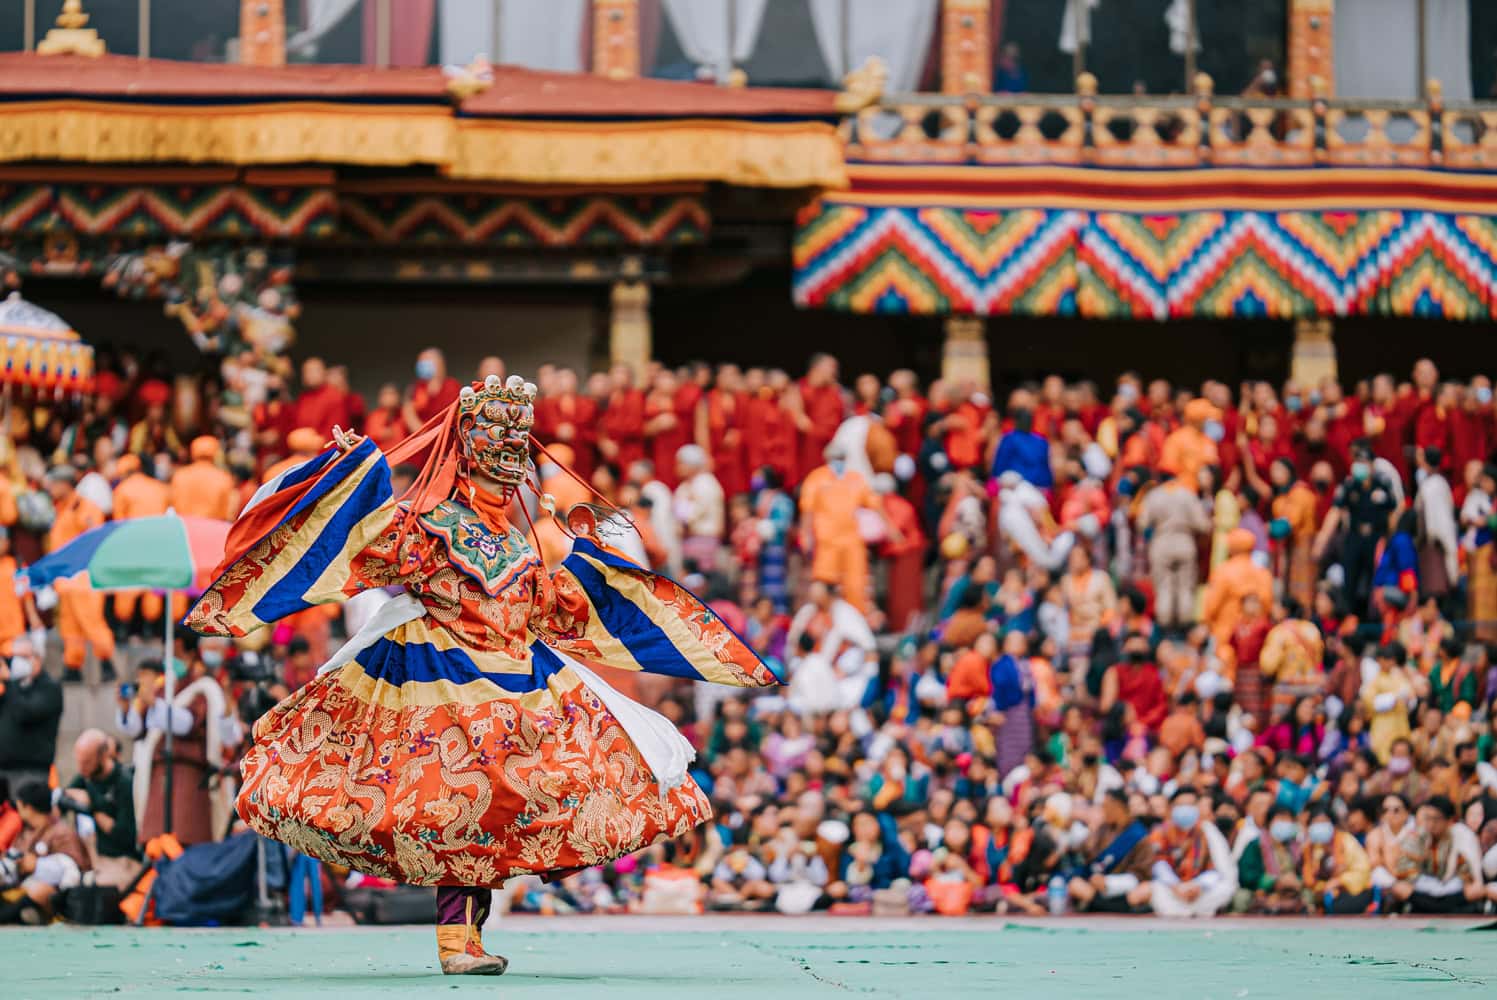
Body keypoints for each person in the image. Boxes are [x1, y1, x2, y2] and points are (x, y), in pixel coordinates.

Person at [184, 372, 782, 976]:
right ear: (468, 450)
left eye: (517, 448)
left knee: (517, 802)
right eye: (498, 445)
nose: (511, 460)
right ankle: (458, 943)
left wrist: (592, 570)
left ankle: (465, 939)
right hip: (442, 683)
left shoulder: (521, 542)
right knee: (457, 806)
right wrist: (352, 475)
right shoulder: (429, 524)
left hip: (516, 682)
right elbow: (369, 544)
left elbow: (544, 607)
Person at [799, 443, 888, 614]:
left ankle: (856, 620)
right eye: (835, 458)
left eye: (841, 458)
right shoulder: (816, 478)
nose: (838, 462)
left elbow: (874, 504)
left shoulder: (855, 479)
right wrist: (806, 535)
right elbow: (808, 510)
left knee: (856, 585)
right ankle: (824, 619)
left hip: (852, 542)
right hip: (827, 542)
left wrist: (890, 529)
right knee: (823, 584)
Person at [46, 466, 116, 683]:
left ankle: (107, 662)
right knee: (70, 624)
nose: (51, 488)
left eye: (55, 483)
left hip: (83, 575)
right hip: (66, 576)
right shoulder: (63, 508)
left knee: (90, 620)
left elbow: (93, 538)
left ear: (65, 484)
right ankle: (72, 665)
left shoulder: (84, 507)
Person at [0, 781, 91, 924]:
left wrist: (37, 865)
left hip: (56, 895)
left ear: (28, 807)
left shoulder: (62, 832)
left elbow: (74, 870)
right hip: (21, 886)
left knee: (39, 890)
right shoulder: (25, 832)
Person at [64, 729, 140, 887]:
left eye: (86, 762)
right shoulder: (87, 776)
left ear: (104, 756)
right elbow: (64, 796)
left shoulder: (124, 782)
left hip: (122, 860)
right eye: (79, 762)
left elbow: (123, 834)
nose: (81, 768)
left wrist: (91, 808)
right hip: (95, 857)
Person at [1144, 788, 1237, 917]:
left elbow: (1219, 868)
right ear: (1171, 808)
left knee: (1225, 888)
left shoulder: (1207, 831)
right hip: (1173, 889)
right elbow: (1158, 864)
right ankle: (1182, 910)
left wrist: (1199, 885)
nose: (1185, 809)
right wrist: (1176, 886)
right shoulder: (1161, 831)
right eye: (1181, 805)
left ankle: (1190, 910)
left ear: (1197, 807)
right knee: (1155, 889)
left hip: (1199, 890)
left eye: (1190, 805)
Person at [1136, 473, 1211, 632]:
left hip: (1161, 543)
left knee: (1163, 588)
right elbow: (1203, 525)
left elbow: (1141, 523)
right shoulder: (1188, 495)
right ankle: (1185, 628)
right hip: (1184, 542)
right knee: (1185, 588)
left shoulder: (1154, 496)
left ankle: (1165, 628)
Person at [1067, 788, 1154, 912]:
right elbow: (1088, 860)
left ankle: (1103, 906)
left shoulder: (1138, 834)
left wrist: (1110, 883)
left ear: (1118, 807)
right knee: (1075, 884)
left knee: (1146, 889)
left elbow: (1142, 873)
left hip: (1126, 888)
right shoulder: (1102, 829)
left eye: (1105, 806)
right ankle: (1110, 907)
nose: (1103, 810)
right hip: (1098, 887)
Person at [0, 635, 61, 793]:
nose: (18, 662)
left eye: (24, 657)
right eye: (15, 657)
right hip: (4, 769)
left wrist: (8, 682)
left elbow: (25, 713)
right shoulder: (12, 687)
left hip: (31, 771)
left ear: (38, 658)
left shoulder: (49, 688)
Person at [673, 444, 725, 573]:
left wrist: (683, 520)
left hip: (703, 539)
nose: (678, 467)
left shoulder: (705, 483)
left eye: (681, 463)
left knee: (701, 577)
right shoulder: (686, 485)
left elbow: (693, 513)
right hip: (689, 540)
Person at [169, 436, 238, 521]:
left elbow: (171, 507)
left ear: (192, 453)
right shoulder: (224, 478)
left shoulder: (180, 476)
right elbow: (230, 512)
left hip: (185, 526)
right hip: (213, 526)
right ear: (215, 453)